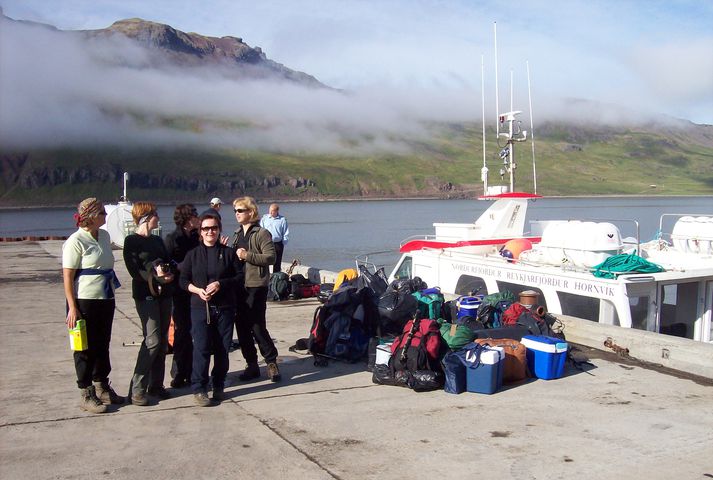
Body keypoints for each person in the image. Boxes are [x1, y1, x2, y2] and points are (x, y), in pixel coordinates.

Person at [62, 197, 124, 413]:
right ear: (90, 216)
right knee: (84, 347)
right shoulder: (75, 241)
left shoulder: (104, 236)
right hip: (84, 300)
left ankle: (102, 385)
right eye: (102, 214)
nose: (105, 217)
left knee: (102, 343)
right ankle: (86, 391)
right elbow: (68, 277)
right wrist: (72, 307)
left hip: (105, 297)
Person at [180, 211, 241, 406]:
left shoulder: (229, 253)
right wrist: (197, 290)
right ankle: (199, 388)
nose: (210, 232)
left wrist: (220, 284)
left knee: (223, 348)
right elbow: (182, 280)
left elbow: (240, 277)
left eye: (213, 228)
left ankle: (218, 385)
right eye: (206, 228)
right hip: (200, 308)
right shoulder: (193, 255)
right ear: (200, 231)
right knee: (202, 348)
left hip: (224, 307)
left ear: (219, 229)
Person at [123, 202, 175, 406]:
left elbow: (168, 260)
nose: (158, 218)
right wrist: (154, 276)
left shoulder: (157, 240)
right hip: (146, 295)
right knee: (152, 340)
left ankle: (156, 385)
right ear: (145, 217)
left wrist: (168, 272)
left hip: (165, 293)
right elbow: (134, 270)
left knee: (162, 341)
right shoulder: (132, 241)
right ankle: (137, 388)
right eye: (155, 214)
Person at [232, 197, 281, 382]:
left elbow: (271, 258)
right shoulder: (237, 234)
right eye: (235, 211)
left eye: (240, 210)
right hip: (239, 286)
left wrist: (248, 255)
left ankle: (271, 362)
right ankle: (251, 364)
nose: (237, 213)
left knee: (257, 325)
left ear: (250, 212)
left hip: (256, 286)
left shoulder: (262, 234)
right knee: (242, 327)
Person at [163, 204, 200, 389]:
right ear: (187, 218)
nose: (197, 217)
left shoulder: (195, 237)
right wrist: (178, 266)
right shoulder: (172, 238)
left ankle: (191, 371)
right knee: (181, 331)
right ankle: (178, 373)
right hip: (179, 291)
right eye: (195, 215)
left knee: (194, 332)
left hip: (194, 290)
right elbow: (165, 260)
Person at [259, 203, 290, 272]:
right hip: (266, 243)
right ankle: (265, 277)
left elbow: (285, 232)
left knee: (277, 262)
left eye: (272, 211)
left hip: (278, 244)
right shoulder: (265, 218)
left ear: (276, 211)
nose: (270, 212)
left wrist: (283, 243)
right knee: (265, 260)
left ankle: (276, 279)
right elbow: (260, 230)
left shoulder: (282, 220)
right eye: (269, 210)